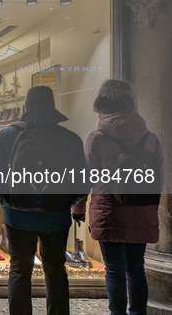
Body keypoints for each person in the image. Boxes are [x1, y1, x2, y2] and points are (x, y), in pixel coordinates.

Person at [0, 86, 88, 315]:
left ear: (26, 107)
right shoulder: (70, 137)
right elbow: (83, 180)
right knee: (55, 271)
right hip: (56, 217)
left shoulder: (9, 134)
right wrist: (67, 203)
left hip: (18, 215)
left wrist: (6, 202)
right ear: (53, 107)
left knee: (19, 271)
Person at [72, 80, 163, 315]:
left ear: (104, 106)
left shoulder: (97, 137)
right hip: (141, 210)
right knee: (136, 268)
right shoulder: (151, 138)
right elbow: (159, 179)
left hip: (109, 210)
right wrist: (150, 208)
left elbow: (86, 179)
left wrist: (78, 208)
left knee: (114, 270)